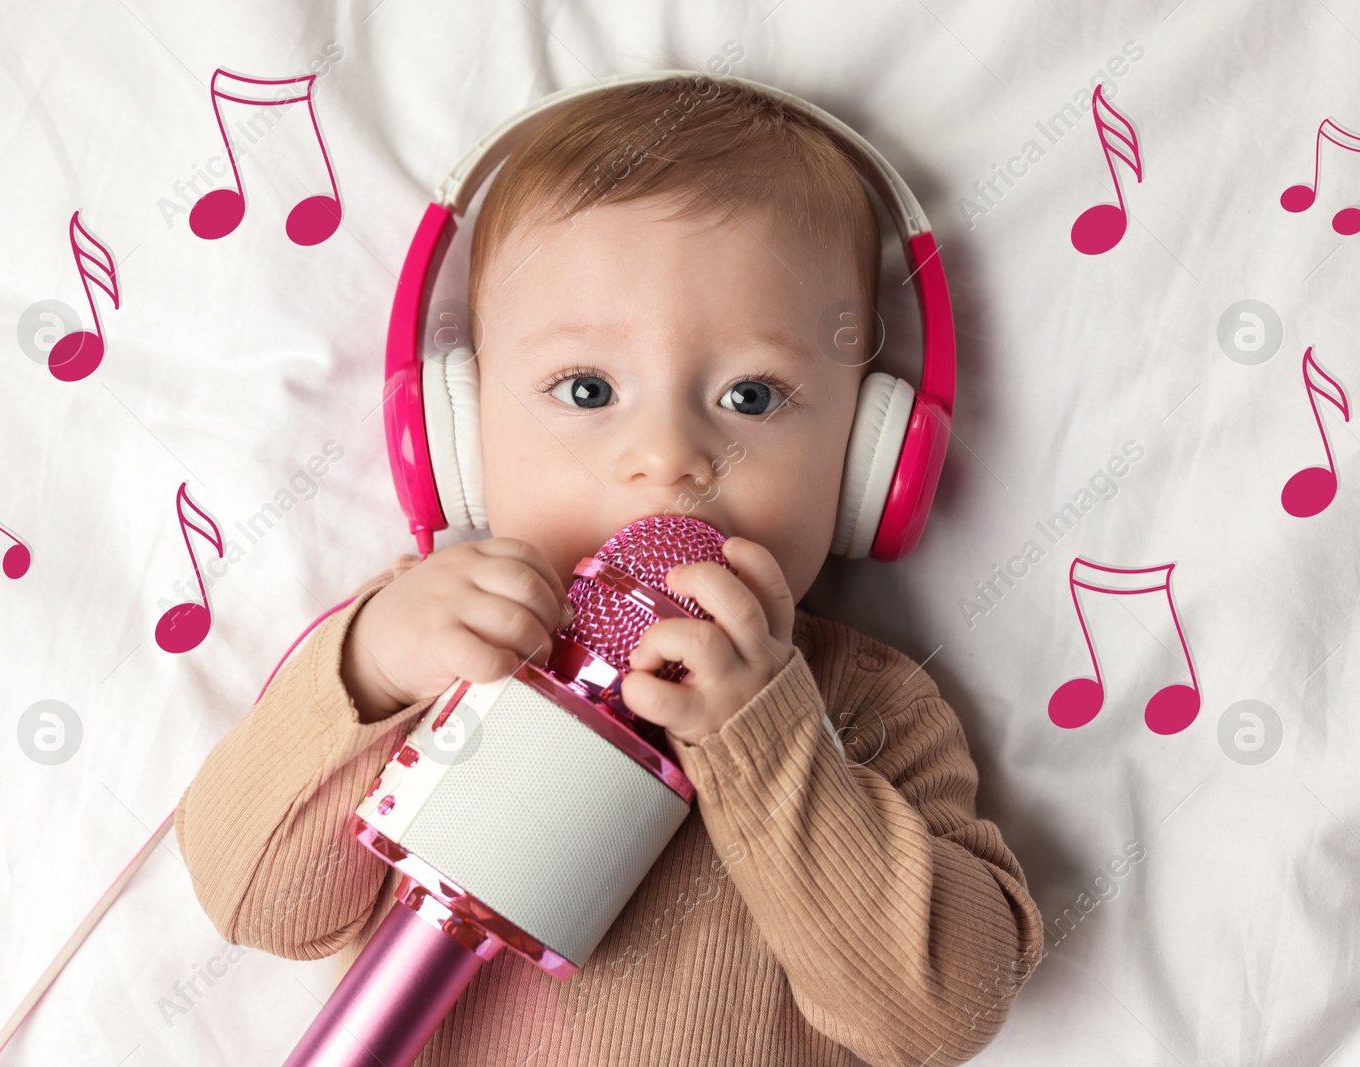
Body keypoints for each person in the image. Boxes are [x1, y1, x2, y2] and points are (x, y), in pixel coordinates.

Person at [175, 73, 1044, 1067]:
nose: (667, 454)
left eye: (752, 395)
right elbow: (254, 900)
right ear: (453, 436)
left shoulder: (863, 704)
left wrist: (768, 740)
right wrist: (368, 668)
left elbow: (940, 1013)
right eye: (587, 388)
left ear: (868, 462)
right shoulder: (437, 645)